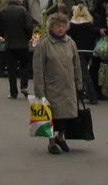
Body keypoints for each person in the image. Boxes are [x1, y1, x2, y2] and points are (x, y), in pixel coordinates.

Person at [32, 12, 83, 155]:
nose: (60, 29)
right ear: (51, 27)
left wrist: (79, 82)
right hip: (52, 86)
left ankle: (61, 137)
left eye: (63, 26)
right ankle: (51, 142)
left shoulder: (70, 42)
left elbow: (77, 64)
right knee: (52, 116)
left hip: (68, 85)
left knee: (67, 116)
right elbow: (38, 69)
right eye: (57, 26)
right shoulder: (44, 44)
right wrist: (39, 90)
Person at [0, 0, 36, 99]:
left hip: (9, 44)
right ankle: (24, 86)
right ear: (17, 0)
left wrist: (5, 36)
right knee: (24, 66)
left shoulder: (3, 12)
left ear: (8, 0)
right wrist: (28, 37)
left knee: (11, 69)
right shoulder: (23, 11)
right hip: (22, 44)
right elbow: (28, 26)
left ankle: (13, 92)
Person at [68, 4, 100, 104]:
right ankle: (80, 94)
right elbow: (96, 32)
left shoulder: (73, 25)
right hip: (89, 51)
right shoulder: (90, 24)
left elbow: (67, 35)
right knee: (82, 72)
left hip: (78, 51)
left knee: (83, 74)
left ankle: (91, 97)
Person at [89, 0, 108, 100]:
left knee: (96, 67)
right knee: (94, 67)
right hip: (95, 42)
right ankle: (94, 91)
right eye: (106, 3)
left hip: (100, 42)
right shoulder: (94, 12)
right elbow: (91, 27)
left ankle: (95, 90)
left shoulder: (103, 12)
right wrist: (98, 30)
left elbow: (104, 26)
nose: (107, 5)